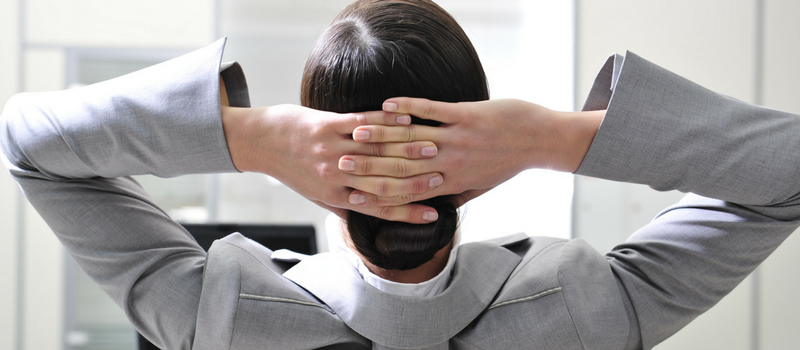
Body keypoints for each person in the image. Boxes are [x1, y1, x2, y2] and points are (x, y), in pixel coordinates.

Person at [3, 1, 800, 350]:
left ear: (313, 147)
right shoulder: (598, 312)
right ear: (478, 152)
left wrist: (250, 136)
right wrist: (552, 136)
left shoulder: (214, 319)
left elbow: (28, 145)